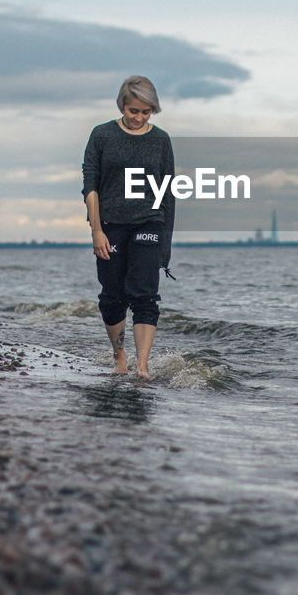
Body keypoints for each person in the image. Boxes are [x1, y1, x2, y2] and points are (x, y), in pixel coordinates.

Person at [81, 75, 175, 380]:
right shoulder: (102, 135)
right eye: (133, 110)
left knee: (146, 295)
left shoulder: (161, 140)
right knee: (112, 296)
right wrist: (97, 231)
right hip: (110, 225)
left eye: (146, 112)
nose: (138, 117)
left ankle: (142, 365)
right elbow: (90, 187)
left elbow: (167, 193)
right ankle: (120, 357)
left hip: (149, 222)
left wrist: (165, 245)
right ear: (122, 105)